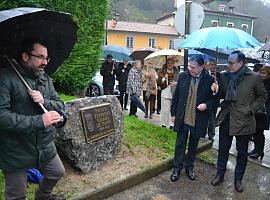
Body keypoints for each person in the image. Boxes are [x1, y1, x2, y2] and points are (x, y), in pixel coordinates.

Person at [0, 38, 66, 199]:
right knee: (17, 195)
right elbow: (2, 116)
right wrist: (39, 121)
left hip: (44, 145)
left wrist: (45, 101)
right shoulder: (5, 78)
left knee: (56, 172)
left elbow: (60, 105)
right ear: (25, 56)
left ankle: (43, 196)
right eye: (40, 57)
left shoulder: (45, 79)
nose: (45, 62)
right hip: (16, 149)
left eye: (46, 58)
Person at [211, 51, 267, 193]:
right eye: (228, 62)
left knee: (242, 153)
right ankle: (220, 174)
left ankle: (238, 180)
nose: (228, 65)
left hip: (244, 120)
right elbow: (222, 95)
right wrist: (216, 91)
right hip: (227, 117)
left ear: (241, 62)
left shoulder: (254, 77)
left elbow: (262, 97)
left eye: (231, 63)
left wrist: (250, 109)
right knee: (223, 149)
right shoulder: (224, 76)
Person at [170, 55, 216, 182]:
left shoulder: (209, 80)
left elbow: (214, 100)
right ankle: (177, 168)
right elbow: (177, 96)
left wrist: (206, 105)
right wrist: (173, 114)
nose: (190, 69)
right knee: (180, 144)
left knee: (193, 145)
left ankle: (189, 168)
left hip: (198, 118)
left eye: (193, 67)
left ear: (202, 67)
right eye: (189, 66)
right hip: (183, 116)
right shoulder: (183, 76)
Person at [248, 65, 270, 159]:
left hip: (263, 112)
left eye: (264, 73)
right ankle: (256, 149)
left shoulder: (267, 85)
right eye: (261, 72)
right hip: (256, 111)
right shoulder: (259, 82)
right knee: (255, 131)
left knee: (259, 131)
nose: (261, 75)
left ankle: (259, 151)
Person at [157, 58, 179, 128]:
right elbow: (158, 82)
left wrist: (175, 83)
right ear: (166, 64)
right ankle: (164, 123)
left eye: (171, 63)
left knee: (172, 109)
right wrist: (164, 79)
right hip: (165, 92)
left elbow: (180, 81)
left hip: (174, 92)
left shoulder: (176, 72)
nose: (170, 65)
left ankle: (171, 124)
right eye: (168, 63)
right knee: (164, 109)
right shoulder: (162, 71)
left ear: (173, 64)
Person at [204, 58, 221, 140]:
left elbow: (222, 89)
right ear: (208, 66)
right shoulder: (205, 74)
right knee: (204, 118)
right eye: (211, 65)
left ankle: (211, 134)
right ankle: (203, 133)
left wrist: (217, 86)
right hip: (205, 100)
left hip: (214, 100)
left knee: (212, 118)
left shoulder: (219, 75)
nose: (213, 66)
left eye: (214, 65)